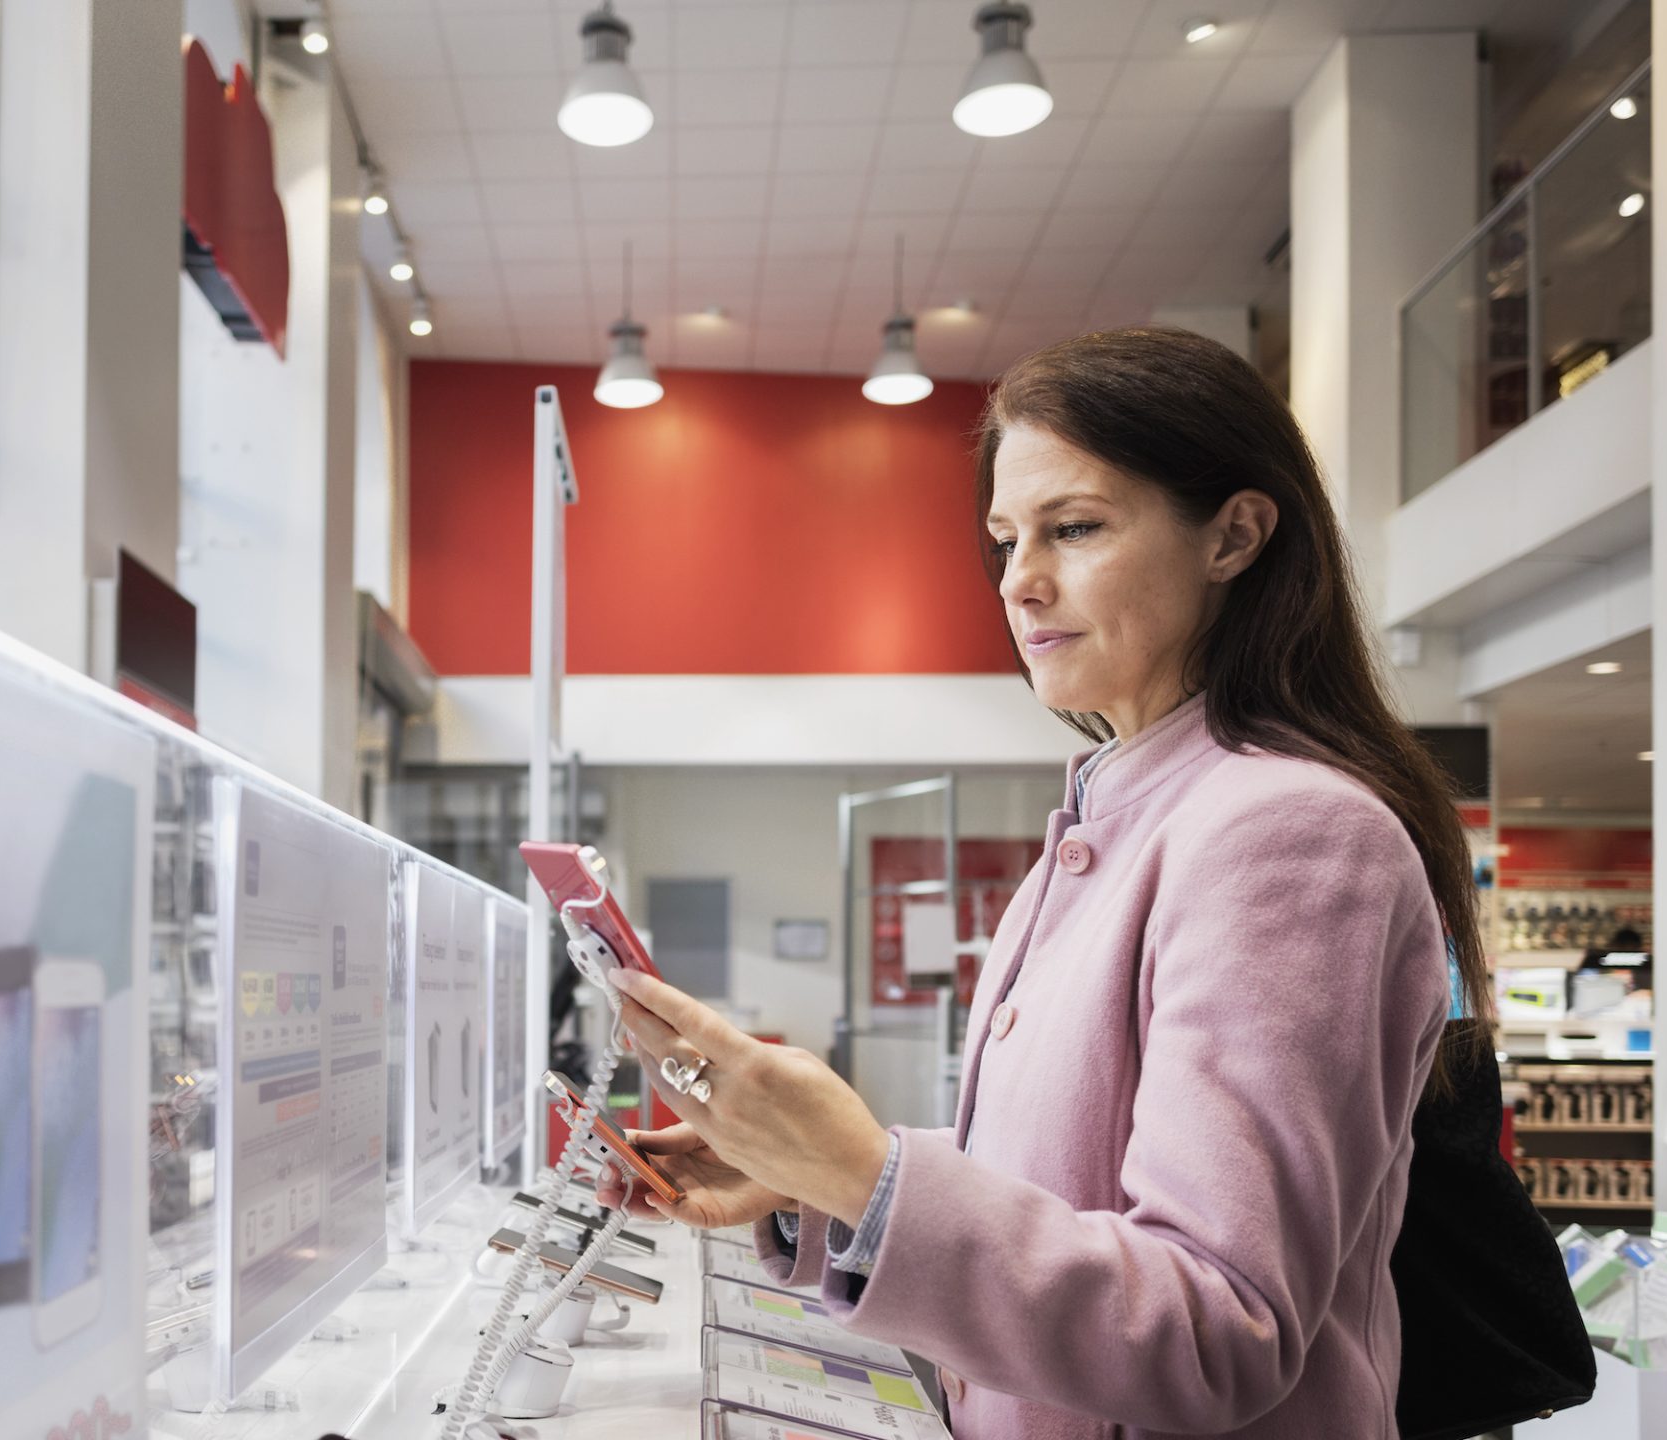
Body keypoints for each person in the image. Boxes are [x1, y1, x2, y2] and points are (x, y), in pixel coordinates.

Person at [598, 326, 1491, 1439]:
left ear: (1236, 535)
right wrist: (813, 1182)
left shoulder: (1291, 835)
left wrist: (867, 1171)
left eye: (1074, 529)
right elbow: (1057, 1196)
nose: (1021, 581)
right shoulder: (1108, 817)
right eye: (1006, 539)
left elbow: (1218, 1327)